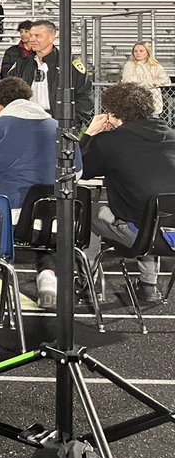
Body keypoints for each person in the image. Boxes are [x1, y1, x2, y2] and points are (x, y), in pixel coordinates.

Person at [0, 76, 81, 308]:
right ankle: (49, 278)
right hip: (57, 222)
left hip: (7, 222)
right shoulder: (61, 129)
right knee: (44, 231)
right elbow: (76, 175)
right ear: (29, 98)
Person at [80, 81, 175, 304]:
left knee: (88, 212)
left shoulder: (109, 141)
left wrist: (90, 134)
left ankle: (87, 281)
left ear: (113, 113)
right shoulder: (172, 134)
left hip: (140, 235)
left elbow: (79, 170)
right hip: (172, 234)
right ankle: (149, 285)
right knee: (154, 209)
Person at [6, 19, 93, 124]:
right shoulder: (21, 65)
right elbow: (8, 93)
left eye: (38, 36)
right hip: (26, 122)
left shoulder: (70, 65)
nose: (32, 39)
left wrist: (70, 123)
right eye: (31, 35)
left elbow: (84, 98)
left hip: (58, 124)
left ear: (53, 38)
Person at [121, 41, 169, 116]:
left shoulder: (155, 65)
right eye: (135, 51)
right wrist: (151, 82)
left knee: (153, 125)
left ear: (147, 52)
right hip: (135, 102)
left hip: (153, 103)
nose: (138, 53)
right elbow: (128, 80)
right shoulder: (129, 65)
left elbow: (166, 80)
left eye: (141, 51)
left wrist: (140, 81)